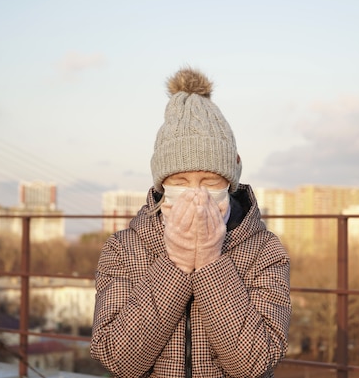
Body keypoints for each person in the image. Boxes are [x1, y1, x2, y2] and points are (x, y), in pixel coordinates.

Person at [90, 67, 291, 378]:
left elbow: (254, 364)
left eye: (210, 181)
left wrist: (211, 263)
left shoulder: (264, 250)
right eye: (181, 181)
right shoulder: (123, 248)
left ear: (230, 182)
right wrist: (177, 263)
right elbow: (118, 360)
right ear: (161, 185)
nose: (196, 194)